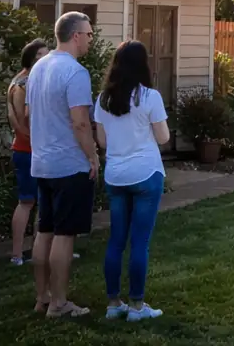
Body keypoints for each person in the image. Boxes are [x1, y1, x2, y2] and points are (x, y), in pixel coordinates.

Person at [26, 11, 98, 318]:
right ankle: (58, 303)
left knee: (45, 231)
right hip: (69, 165)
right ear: (76, 35)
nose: (91, 40)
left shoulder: (38, 67)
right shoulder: (75, 72)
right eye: (90, 34)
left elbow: (30, 116)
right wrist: (92, 156)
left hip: (41, 162)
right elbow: (81, 123)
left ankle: (41, 297)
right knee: (65, 234)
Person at [94, 41, 170, 322]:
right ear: (143, 64)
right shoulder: (150, 97)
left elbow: (101, 141)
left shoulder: (103, 99)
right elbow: (163, 138)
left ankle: (114, 303)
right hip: (146, 175)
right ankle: (137, 306)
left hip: (115, 175)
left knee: (116, 241)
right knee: (140, 242)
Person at [7, 39, 50, 265]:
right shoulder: (28, 83)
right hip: (31, 148)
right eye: (43, 55)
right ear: (34, 58)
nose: (48, 59)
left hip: (22, 147)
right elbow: (28, 117)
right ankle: (21, 253)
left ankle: (29, 252)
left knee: (30, 201)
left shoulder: (16, 81)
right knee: (30, 202)